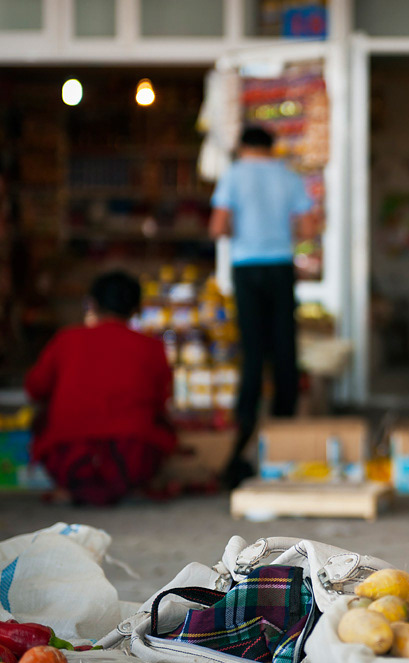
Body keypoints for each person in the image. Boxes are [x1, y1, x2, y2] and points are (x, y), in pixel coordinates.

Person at [209, 125, 316, 489]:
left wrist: (241, 227)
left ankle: (246, 424)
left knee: (253, 349)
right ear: (271, 148)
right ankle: (284, 421)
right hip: (281, 266)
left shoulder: (234, 176)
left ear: (242, 146)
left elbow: (218, 226)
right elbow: (307, 227)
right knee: (285, 344)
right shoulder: (289, 177)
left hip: (246, 267)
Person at [25, 270, 176, 505]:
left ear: (92, 304)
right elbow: (160, 402)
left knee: (41, 418)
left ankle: (70, 489)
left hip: (67, 458)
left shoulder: (65, 339)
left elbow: (34, 388)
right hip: (131, 459)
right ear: (137, 309)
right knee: (162, 425)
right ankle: (131, 488)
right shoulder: (152, 347)